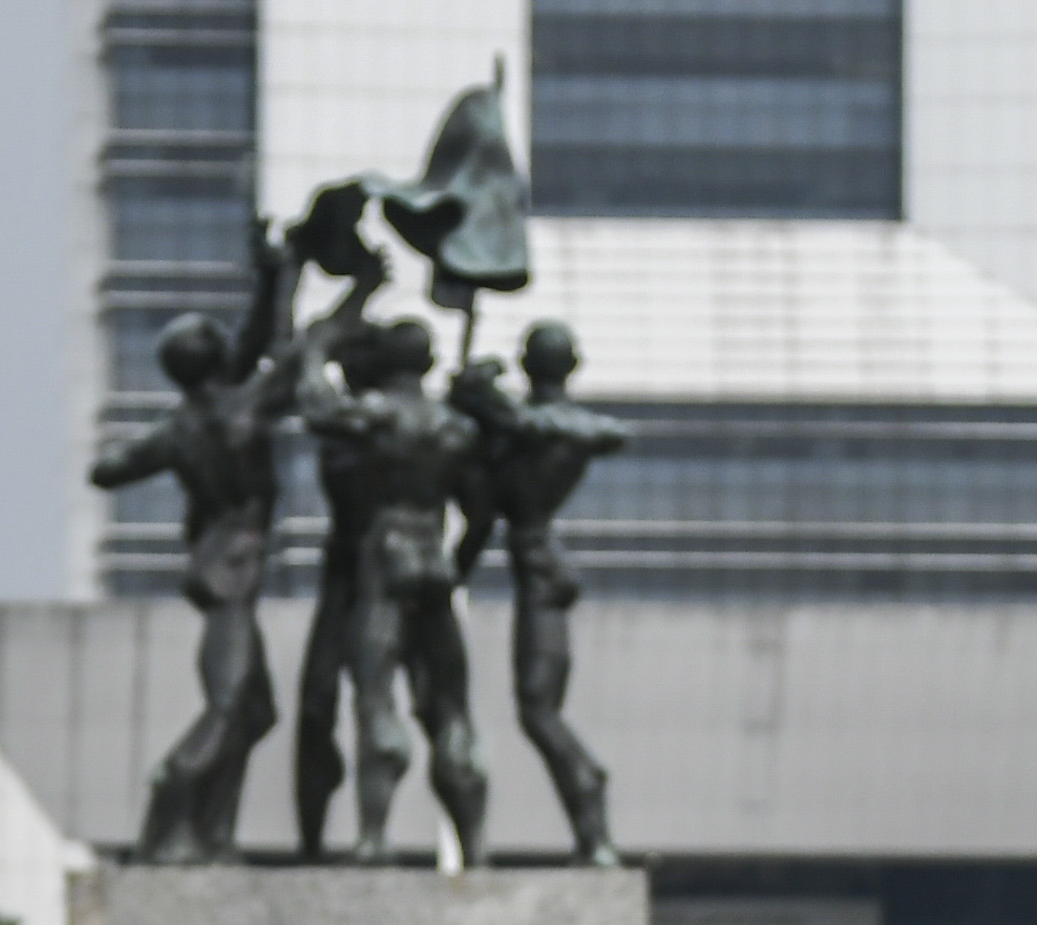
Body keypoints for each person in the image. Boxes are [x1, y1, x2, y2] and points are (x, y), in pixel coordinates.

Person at [89, 224, 378, 861]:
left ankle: (212, 836)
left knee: (255, 710)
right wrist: (362, 287)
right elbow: (308, 345)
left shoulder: (181, 428)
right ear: (221, 362)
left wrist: (277, 277)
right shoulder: (247, 410)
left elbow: (107, 470)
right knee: (227, 706)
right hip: (233, 575)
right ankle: (173, 797)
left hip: (213, 561)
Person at [295, 322, 490, 866]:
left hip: (385, 553)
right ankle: (474, 847)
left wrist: (315, 353)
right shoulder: (458, 428)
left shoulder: (379, 414)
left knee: (376, 697)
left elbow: (317, 410)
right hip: (434, 553)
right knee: (451, 708)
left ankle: (374, 835)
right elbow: (480, 515)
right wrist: (458, 569)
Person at [448, 324, 633, 866]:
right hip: (534, 570)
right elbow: (478, 520)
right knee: (537, 709)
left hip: (543, 572)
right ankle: (591, 829)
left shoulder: (558, 428)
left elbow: (607, 433)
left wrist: (487, 399)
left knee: (539, 709)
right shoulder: (515, 435)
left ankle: (591, 811)